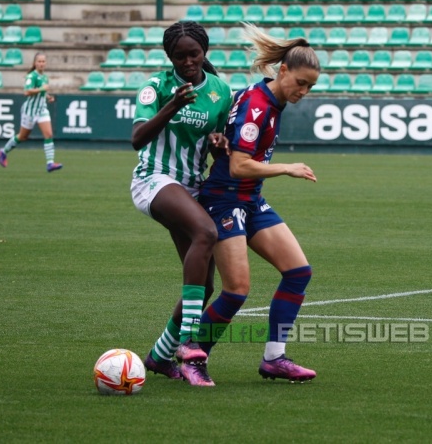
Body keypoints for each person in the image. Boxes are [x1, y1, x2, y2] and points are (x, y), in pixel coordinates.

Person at [191, 22, 321, 387]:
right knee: (236, 290)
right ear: (283, 71)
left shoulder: (273, 100)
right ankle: (192, 356)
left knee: (298, 271)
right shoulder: (257, 105)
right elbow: (238, 164)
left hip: (250, 199)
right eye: (300, 83)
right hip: (223, 200)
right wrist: (287, 168)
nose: (304, 91)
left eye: (310, 86)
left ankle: (274, 359)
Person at [129, 21, 233, 385]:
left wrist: (220, 147)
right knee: (206, 232)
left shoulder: (220, 91)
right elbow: (138, 138)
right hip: (153, 180)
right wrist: (171, 104)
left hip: (191, 186)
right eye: (180, 56)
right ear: (168, 56)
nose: (188, 61)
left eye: (194, 54)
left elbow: (218, 147)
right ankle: (189, 341)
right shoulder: (156, 87)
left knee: (204, 286)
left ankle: (158, 356)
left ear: (205, 52)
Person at [0, 52, 63, 172]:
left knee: (48, 134)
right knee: (22, 137)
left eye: (43, 61)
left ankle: (50, 163)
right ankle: (3, 151)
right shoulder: (31, 76)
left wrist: (47, 96)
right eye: (39, 61)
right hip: (30, 111)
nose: (41, 63)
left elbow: (41, 92)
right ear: (35, 63)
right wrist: (41, 89)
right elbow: (27, 92)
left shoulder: (44, 77)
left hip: (42, 109)